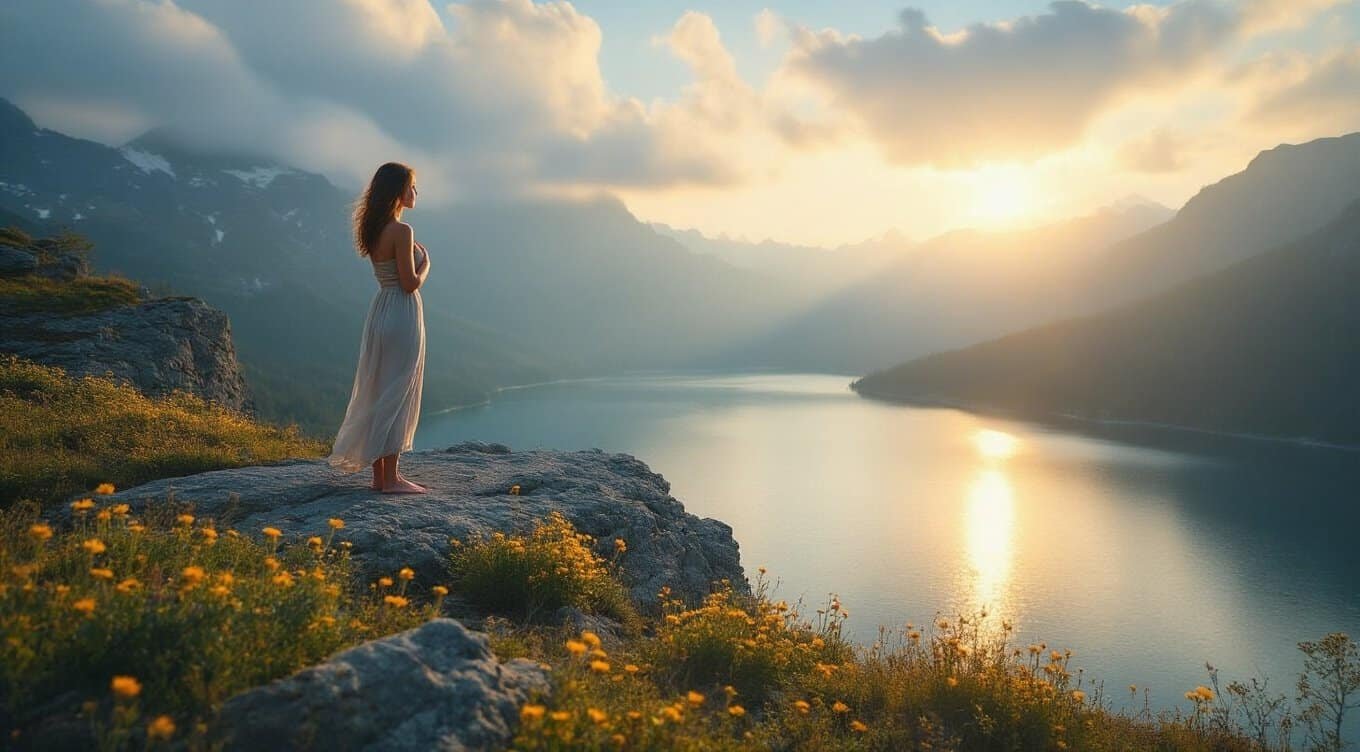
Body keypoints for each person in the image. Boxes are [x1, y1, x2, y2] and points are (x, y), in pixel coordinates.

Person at [327, 162, 430, 494]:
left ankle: (378, 477)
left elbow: (392, 278)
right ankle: (392, 479)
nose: (416, 193)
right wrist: (426, 265)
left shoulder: (373, 229)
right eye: (412, 186)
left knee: (379, 388)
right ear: (398, 191)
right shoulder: (402, 231)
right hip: (401, 311)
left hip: (381, 309)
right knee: (399, 390)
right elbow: (410, 283)